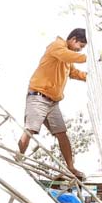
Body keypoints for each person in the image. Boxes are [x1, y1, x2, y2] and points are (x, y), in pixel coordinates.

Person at [17, 28, 88, 180]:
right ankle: (18, 158)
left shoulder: (68, 57)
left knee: (62, 134)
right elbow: (68, 55)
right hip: (38, 96)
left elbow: (74, 73)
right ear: (73, 39)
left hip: (53, 102)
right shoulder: (57, 46)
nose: (79, 50)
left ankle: (70, 167)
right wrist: (86, 58)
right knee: (30, 130)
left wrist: (90, 76)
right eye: (80, 46)